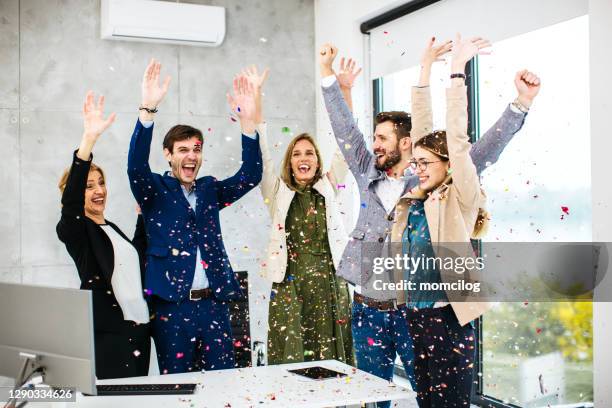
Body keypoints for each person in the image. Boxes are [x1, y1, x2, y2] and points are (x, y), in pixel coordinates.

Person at [319, 38, 540, 407]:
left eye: (382, 138)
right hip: (370, 309)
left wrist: (519, 104)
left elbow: (477, 148)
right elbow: (344, 128)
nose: (374, 144)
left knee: (432, 399)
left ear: (406, 143)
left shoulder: (433, 188)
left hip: (415, 314)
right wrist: (330, 78)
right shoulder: (368, 171)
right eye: (373, 137)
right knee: (373, 399)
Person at [127, 59, 263, 374]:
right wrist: (147, 110)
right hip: (172, 309)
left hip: (214, 305)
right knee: (177, 389)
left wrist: (247, 124)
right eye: (184, 149)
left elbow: (250, 176)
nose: (192, 155)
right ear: (169, 154)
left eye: (197, 149)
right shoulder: (154, 192)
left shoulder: (209, 190)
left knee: (223, 384)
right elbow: (135, 166)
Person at [389, 33, 501, 407]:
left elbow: (456, 139)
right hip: (416, 319)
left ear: (448, 165)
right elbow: (424, 131)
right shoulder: (419, 197)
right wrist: (423, 70)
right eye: (415, 162)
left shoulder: (460, 197)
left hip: (449, 322)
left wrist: (456, 72)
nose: (417, 169)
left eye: (425, 163)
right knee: (426, 403)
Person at [242, 65, 356, 365]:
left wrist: (346, 91)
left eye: (309, 153)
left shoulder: (331, 187)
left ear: (317, 160)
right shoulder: (276, 193)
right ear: (290, 162)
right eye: (296, 153)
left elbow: (346, 144)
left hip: (330, 284)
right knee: (292, 357)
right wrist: (256, 94)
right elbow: (263, 154)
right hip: (289, 284)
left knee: (331, 359)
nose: (303, 158)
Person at [57, 91, 151, 379]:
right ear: (74, 192)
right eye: (88, 186)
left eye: (101, 183)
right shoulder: (76, 231)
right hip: (111, 333)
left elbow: (133, 261)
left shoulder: (111, 228)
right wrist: (88, 141)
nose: (99, 190)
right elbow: (71, 204)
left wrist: (142, 216)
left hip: (140, 329)